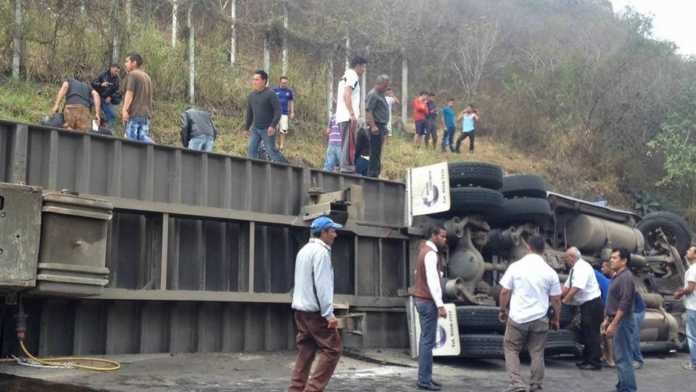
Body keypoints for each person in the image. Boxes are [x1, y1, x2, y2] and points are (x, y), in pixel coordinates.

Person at [499, 235, 561, 392]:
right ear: (543, 250)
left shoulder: (516, 267)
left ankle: (516, 383)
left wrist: (502, 310)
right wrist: (556, 319)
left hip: (517, 317)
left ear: (529, 247)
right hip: (540, 318)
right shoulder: (550, 272)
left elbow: (505, 291)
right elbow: (556, 299)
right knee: (537, 352)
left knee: (511, 348)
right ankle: (536, 384)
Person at [288, 216, 343, 392]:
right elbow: (323, 285)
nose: (335, 235)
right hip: (315, 313)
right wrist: (329, 314)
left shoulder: (304, 250)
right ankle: (312, 389)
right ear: (324, 232)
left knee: (306, 350)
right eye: (333, 231)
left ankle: (295, 389)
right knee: (333, 349)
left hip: (300, 311)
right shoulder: (321, 253)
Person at [412, 224, 448, 391]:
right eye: (442, 236)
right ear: (434, 235)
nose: (444, 239)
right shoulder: (430, 254)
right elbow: (433, 281)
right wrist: (440, 305)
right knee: (427, 342)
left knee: (426, 340)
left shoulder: (424, 250)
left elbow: (417, 274)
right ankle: (424, 380)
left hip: (422, 299)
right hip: (427, 301)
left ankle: (425, 378)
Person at [561, 247, 604, 370]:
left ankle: (594, 362)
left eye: (566, 258)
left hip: (592, 304)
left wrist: (565, 301)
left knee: (592, 334)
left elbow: (576, 287)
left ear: (572, 257)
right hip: (586, 305)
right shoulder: (574, 269)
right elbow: (567, 286)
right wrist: (558, 297)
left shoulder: (582, 267)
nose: (565, 261)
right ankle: (587, 359)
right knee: (586, 333)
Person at [603, 248, 637, 392]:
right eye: (611, 257)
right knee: (620, 357)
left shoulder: (626, 277)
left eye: (615, 258)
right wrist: (607, 319)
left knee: (624, 358)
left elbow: (624, 303)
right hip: (616, 319)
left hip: (622, 321)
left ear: (624, 261)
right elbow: (613, 300)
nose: (611, 260)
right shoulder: (617, 276)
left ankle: (628, 389)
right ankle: (622, 386)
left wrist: (614, 324)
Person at [335, 56, 368, 173]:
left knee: (345, 142)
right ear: (358, 66)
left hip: (341, 115)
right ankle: (347, 167)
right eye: (363, 67)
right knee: (349, 143)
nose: (364, 70)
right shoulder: (353, 76)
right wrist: (352, 114)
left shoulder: (345, 76)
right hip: (347, 116)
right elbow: (347, 94)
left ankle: (343, 165)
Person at [245, 70, 284, 162]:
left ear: (264, 81)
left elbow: (278, 111)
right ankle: (251, 172)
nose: (254, 82)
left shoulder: (271, 94)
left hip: (268, 129)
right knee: (251, 151)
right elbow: (249, 113)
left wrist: (273, 125)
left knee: (272, 151)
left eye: (257, 80)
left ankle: (286, 168)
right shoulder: (252, 95)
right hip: (255, 129)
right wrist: (246, 128)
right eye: (253, 79)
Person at [121, 53, 153, 142]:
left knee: (131, 142)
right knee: (143, 141)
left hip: (135, 114)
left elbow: (129, 94)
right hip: (146, 115)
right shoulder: (147, 77)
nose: (125, 64)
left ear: (134, 63)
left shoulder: (133, 74)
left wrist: (124, 110)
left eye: (127, 61)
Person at [674, 246, 696, 371]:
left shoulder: (693, 269)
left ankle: (694, 363)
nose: (687, 251)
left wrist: (679, 293)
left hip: (693, 307)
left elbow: (691, 288)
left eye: (690, 251)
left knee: (692, 337)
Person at [365, 74, 390, 178]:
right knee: (374, 151)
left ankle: (376, 172)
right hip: (376, 126)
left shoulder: (381, 94)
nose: (386, 88)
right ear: (379, 84)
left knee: (378, 151)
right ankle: (372, 174)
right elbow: (369, 111)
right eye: (385, 86)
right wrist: (373, 126)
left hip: (381, 126)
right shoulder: (373, 94)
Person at [91, 64, 121, 128]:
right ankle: (94, 130)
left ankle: (109, 132)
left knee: (112, 116)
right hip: (98, 97)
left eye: (118, 72)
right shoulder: (103, 75)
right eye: (115, 71)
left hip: (107, 100)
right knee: (95, 115)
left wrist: (111, 97)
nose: (116, 73)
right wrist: (101, 84)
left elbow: (118, 91)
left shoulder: (117, 79)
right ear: (111, 68)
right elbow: (93, 83)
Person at [600, 259, 616, 368]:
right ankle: (606, 355)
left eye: (604, 267)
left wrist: (606, 317)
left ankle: (611, 359)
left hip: (612, 311)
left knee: (608, 335)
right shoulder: (609, 279)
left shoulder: (613, 279)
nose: (602, 269)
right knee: (604, 334)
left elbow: (609, 299)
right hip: (609, 309)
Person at [273, 76, 295, 150]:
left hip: (284, 113)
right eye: (283, 82)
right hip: (275, 113)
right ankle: (275, 144)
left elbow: (291, 102)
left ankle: (282, 145)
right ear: (280, 82)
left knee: (283, 130)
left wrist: (292, 112)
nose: (284, 84)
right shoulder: (275, 90)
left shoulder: (289, 91)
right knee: (275, 128)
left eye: (285, 83)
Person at [630, 291, 646, 369]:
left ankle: (638, 360)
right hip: (631, 309)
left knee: (633, 336)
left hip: (636, 311)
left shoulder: (624, 282)